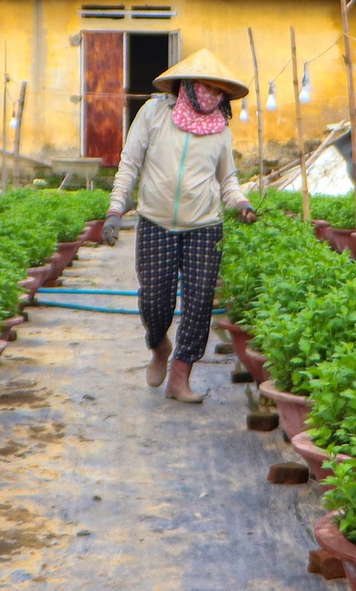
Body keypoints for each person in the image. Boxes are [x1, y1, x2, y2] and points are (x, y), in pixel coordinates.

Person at [105, 49, 257, 402]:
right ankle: (159, 346)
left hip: (205, 226)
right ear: (186, 86)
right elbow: (129, 164)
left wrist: (241, 204)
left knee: (199, 304)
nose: (211, 96)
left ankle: (180, 376)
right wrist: (115, 210)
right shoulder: (155, 113)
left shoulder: (220, 128)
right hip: (156, 222)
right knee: (154, 302)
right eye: (204, 87)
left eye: (217, 91)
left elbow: (228, 179)